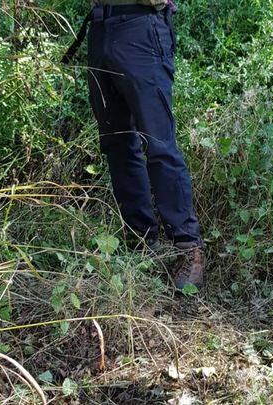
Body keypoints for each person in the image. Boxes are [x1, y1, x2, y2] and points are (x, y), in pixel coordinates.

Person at [64, 0, 205, 289]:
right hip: (102, 26)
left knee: (159, 144)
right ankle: (141, 242)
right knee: (117, 144)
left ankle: (188, 249)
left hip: (141, 27)